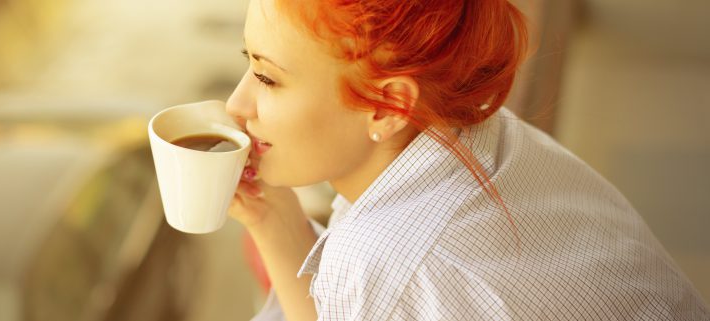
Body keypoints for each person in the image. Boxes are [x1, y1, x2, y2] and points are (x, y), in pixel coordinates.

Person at [224, 0, 710, 320]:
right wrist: (271, 216)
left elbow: (383, 286)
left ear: (389, 105)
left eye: (267, 79)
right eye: (249, 61)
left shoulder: (386, 261)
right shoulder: (492, 140)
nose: (235, 104)